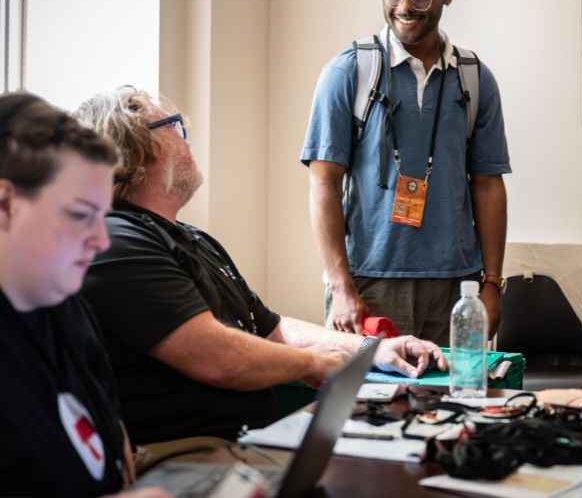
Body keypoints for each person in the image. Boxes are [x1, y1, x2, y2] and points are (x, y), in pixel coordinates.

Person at [74, 87, 446, 454]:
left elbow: (270, 328)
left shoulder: (193, 238)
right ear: (139, 148)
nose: (186, 140)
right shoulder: (116, 240)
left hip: (252, 436)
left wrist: (371, 349)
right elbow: (215, 357)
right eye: (174, 126)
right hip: (189, 449)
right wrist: (314, 362)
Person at [302, 0, 510, 344]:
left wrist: (491, 283)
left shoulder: (474, 78)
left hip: (458, 286)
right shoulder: (348, 72)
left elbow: (487, 185)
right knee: (370, 407)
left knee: (453, 405)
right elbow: (323, 181)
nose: (404, 7)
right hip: (372, 282)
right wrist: (340, 285)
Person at [0, 93, 168, 497]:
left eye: (102, 215)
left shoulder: (67, 308)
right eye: (79, 215)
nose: (99, 239)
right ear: (6, 204)